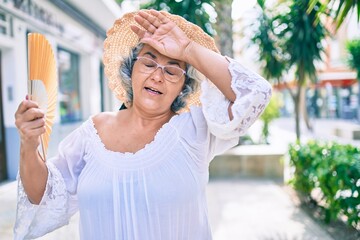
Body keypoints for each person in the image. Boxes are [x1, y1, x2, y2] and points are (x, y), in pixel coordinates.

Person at [14, 9, 272, 240]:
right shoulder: (92, 132)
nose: (157, 76)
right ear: (131, 69)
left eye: (172, 71)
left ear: (184, 86)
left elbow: (256, 93)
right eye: (148, 63)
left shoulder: (195, 129)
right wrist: (29, 142)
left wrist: (187, 50)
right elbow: (41, 195)